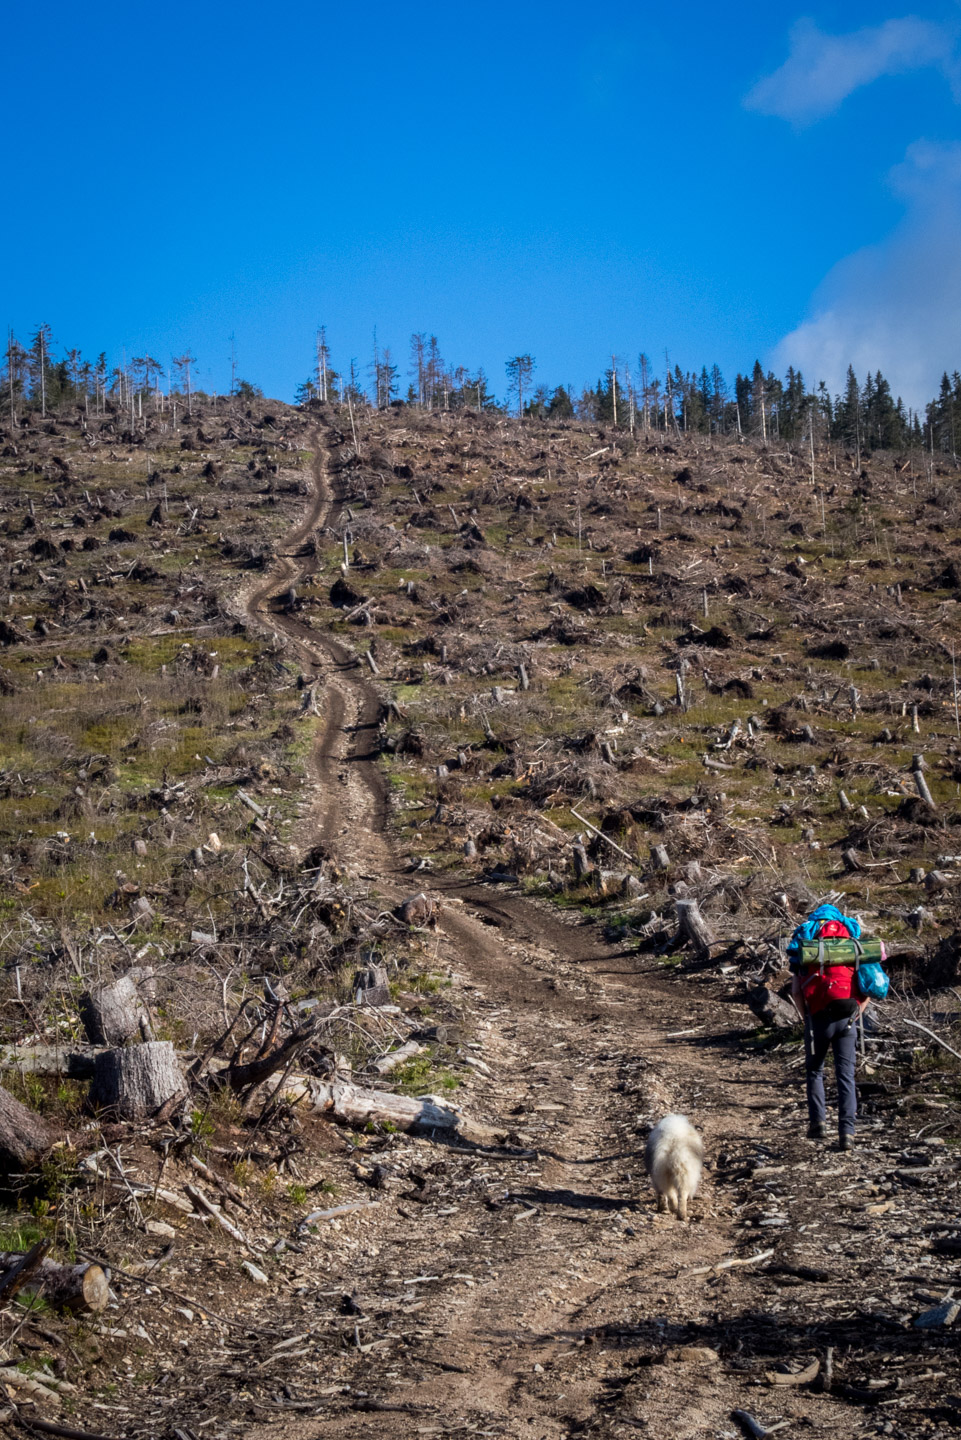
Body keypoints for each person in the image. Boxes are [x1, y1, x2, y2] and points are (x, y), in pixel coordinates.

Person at [787, 904, 870, 1152]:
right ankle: (847, 1133)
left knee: (815, 1071)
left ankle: (818, 1124)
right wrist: (856, 1015)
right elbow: (868, 987)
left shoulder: (807, 945)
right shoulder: (852, 945)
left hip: (817, 1018)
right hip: (847, 1018)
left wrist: (806, 1018)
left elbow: (795, 990)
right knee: (846, 1076)